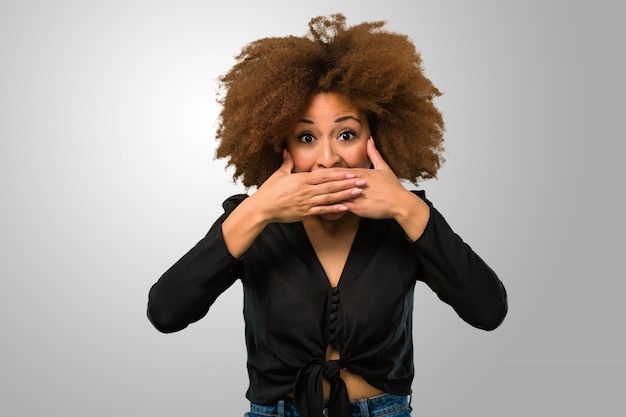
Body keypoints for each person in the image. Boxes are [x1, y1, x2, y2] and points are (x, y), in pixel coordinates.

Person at [147, 13, 507, 417]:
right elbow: (165, 313)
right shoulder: (252, 221)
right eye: (306, 138)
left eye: (347, 134)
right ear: (279, 145)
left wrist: (408, 207)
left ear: (378, 138)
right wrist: (260, 208)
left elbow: (488, 311)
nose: (328, 158)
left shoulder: (404, 219)